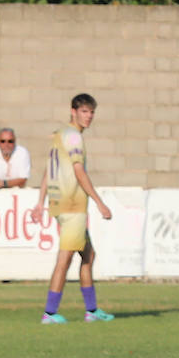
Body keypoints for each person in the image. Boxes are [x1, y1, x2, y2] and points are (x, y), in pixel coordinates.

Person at [29, 94, 114, 323]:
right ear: (73, 111)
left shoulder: (60, 134)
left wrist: (40, 201)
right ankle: (50, 313)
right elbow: (78, 171)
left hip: (59, 205)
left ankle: (92, 310)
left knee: (88, 254)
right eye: (84, 111)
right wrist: (98, 201)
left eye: (91, 112)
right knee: (65, 259)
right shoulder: (74, 137)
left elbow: (49, 170)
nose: (89, 117)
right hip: (72, 206)